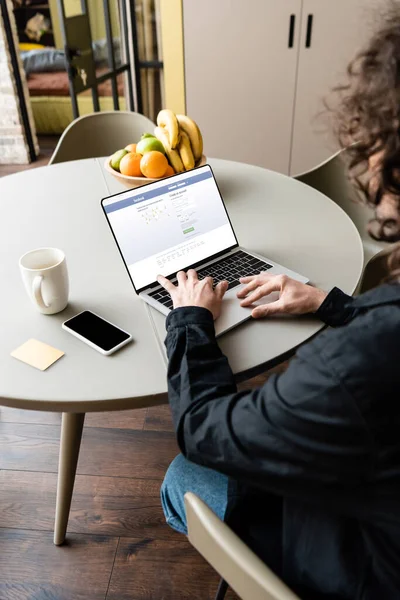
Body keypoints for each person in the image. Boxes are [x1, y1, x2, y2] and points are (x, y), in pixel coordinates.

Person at [158, 8, 400, 600]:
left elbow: (204, 431)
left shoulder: (351, 365)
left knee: (180, 478)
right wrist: (333, 303)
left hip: (356, 567)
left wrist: (190, 320)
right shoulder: (372, 332)